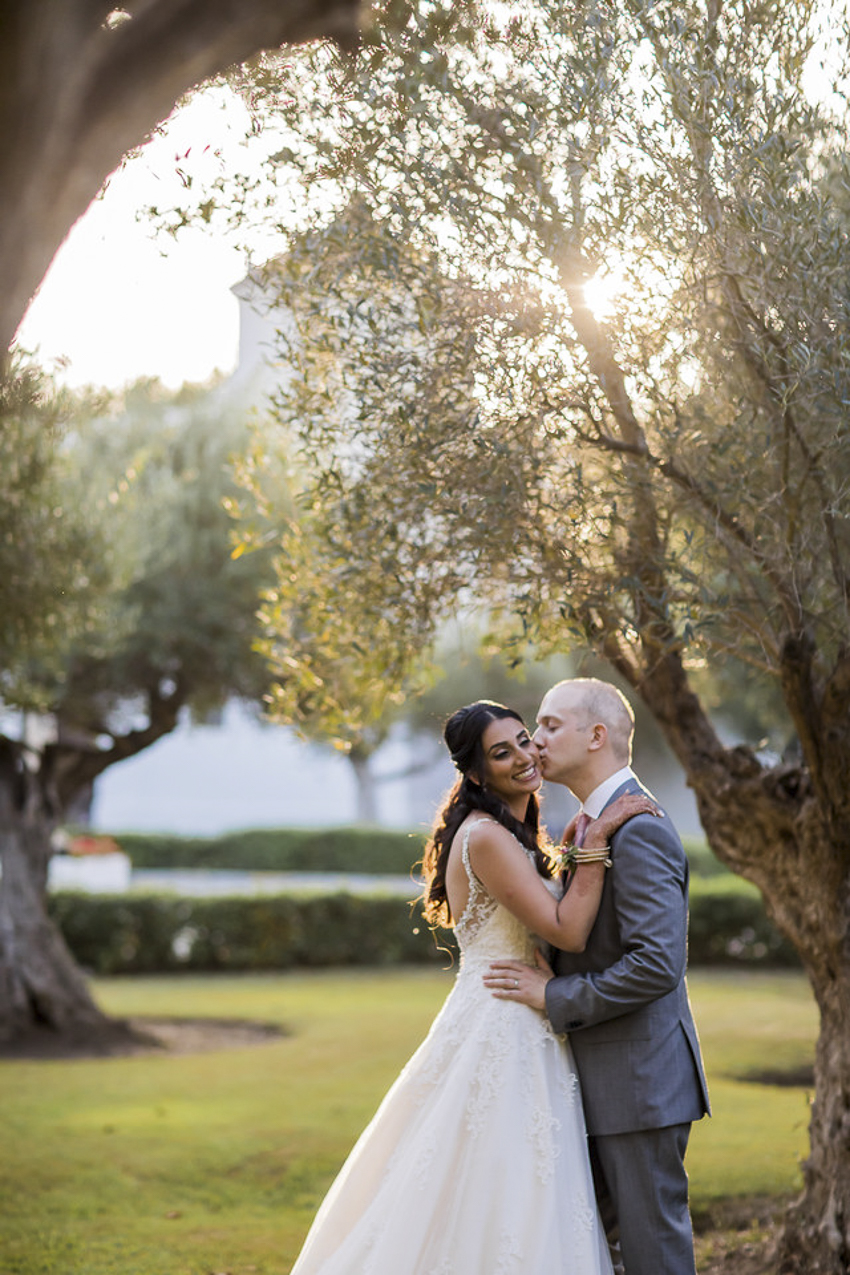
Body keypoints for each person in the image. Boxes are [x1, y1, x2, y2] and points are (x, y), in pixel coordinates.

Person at [287, 699, 657, 1275]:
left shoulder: (513, 833)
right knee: (493, 1182)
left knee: (518, 1186)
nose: (524, 756)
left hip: (525, 1013)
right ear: (478, 774)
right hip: (502, 1022)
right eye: (501, 753)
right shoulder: (485, 837)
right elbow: (567, 930)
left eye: (524, 739)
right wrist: (598, 839)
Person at [485, 678, 711, 1275]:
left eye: (551, 725)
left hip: (639, 1085)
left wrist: (553, 993)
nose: (536, 739)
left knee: (650, 1250)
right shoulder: (592, 823)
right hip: (602, 1078)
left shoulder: (640, 828)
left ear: (597, 736)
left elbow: (656, 963)